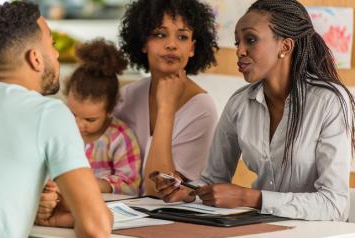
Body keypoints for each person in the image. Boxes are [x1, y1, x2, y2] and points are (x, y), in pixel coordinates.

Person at [151, 0, 355, 221]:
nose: (239, 51)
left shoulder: (329, 101)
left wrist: (251, 198)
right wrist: (189, 192)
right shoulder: (239, 103)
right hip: (259, 227)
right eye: (237, 42)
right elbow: (213, 180)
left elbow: (334, 204)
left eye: (250, 39)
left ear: (285, 47)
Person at [0, 1, 112, 237]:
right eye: (52, 44)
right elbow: (95, 227)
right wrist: (103, 215)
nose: (57, 54)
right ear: (35, 58)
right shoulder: (49, 113)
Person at [115, 0, 219, 195]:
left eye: (182, 37)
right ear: (144, 43)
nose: (171, 44)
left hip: (167, 220)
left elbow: (157, 191)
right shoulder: (127, 96)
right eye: (160, 35)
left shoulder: (202, 108)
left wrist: (166, 108)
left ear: (192, 48)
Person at [45, 38, 142, 196]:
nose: (78, 124)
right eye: (73, 114)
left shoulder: (120, 137)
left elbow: (130, 184)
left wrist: (90, 185)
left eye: (90, 120)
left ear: (110, 109)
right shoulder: (58, 127)